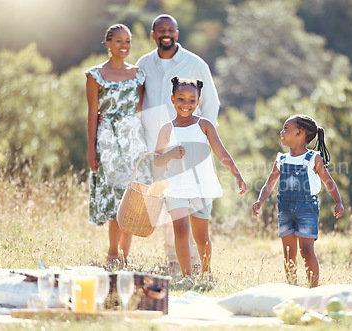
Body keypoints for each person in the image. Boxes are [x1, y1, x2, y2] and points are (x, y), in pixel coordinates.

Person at [136, 14, 221, 274]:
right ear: (153, 34)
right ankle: (174, 261)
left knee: (194, 206)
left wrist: (203, 142)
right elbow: (137, 101)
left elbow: (212, 104)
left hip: (189, 150)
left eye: (170, 30)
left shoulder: (194, 63)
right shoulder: (144, 63)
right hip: (156, 147)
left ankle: (196, 264)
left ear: (177, 33)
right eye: (160, 30)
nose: (166, 34)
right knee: (166, 204)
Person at [154, 77, 246, 284]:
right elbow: (157, 161)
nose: (186, 104)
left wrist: (237, 175)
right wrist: (169, 154)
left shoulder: (204, 125)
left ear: (198, 102)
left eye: (191, 100)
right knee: (181, 229)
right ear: (172, 99)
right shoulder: (167, 128)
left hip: (201, 188)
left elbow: (221, 152)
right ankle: (186, 277)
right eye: (181, 99)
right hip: (175, 187)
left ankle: (206, 273)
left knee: (201, 236)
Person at [85, 24, 152, 265]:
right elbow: (93, 113)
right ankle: (113, 253)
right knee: (115, 194)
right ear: (108, 43)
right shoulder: (95, 75)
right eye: (119, 41)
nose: (124, 45)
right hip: (107, 139)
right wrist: (91, 149)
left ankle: (125, 255)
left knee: (133, 195)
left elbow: (141, 109)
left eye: (128, 41)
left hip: (134, 139)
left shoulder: (138, 74)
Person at [252, 115, 344, 287]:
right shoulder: (281, 159)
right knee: (288, 253)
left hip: (306, 208)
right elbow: (270, 184)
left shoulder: (313, 158)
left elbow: (328, 181)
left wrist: (338, 201)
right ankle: (293, 289)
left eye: (286, 128)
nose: (282, 131)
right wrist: (259, 201)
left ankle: (313, 289)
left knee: (307, 251)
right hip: (285, 209)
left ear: (300, 132)